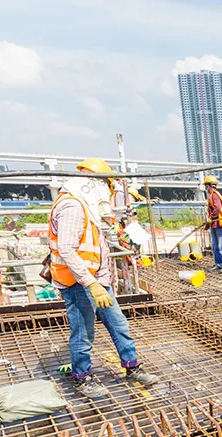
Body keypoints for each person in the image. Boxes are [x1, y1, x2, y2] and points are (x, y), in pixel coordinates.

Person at [48, 157, 158, 399]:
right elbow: (67, 249)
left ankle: (132, 367)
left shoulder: (86, 206)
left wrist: (103, 279)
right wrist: (92, 284)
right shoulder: (73, 206)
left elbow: (95, 247)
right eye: (108, 185)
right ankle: (82, 378)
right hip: (77, 282)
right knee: (83, 331)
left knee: (118, 324)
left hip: (97, 280)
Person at [204, 175, 222, 272]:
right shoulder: (212, 195)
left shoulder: (215, 195)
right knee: (215, 246)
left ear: (209, 186)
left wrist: (211, 217)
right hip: (215, 225)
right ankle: (219, 264)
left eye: (206, 186)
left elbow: (218, 208)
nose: (205, 188)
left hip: (220, 224)